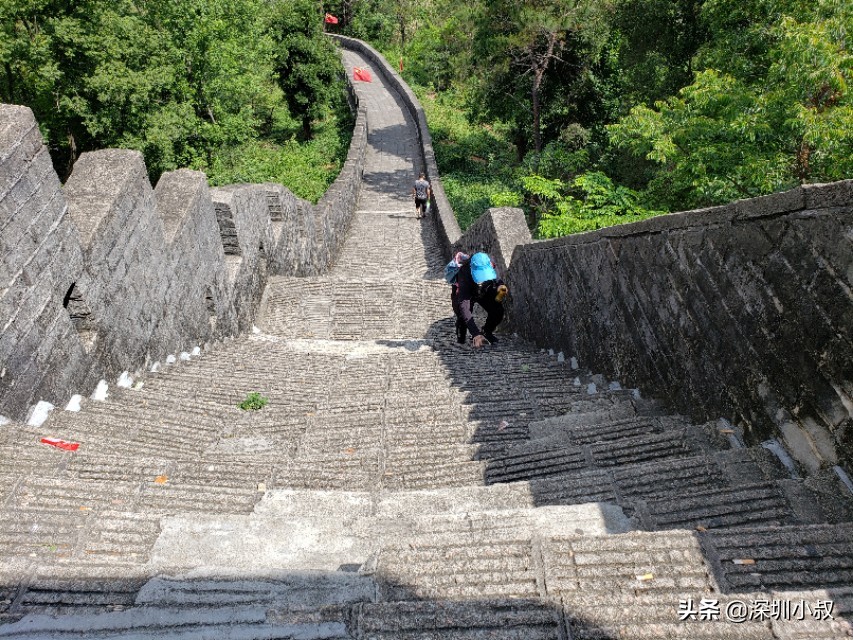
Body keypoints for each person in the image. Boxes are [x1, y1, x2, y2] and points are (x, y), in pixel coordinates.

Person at [447, 251, 508, 348]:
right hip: (466, 291)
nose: (482, 279)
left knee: (497, 310)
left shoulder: (489, 263)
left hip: (483, 290)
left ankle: (487, 332)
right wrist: (475, 333)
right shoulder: (464, 274)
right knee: (462, 314)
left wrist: (500, 286)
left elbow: (497, 279)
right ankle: (461, 337)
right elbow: (464, 306)